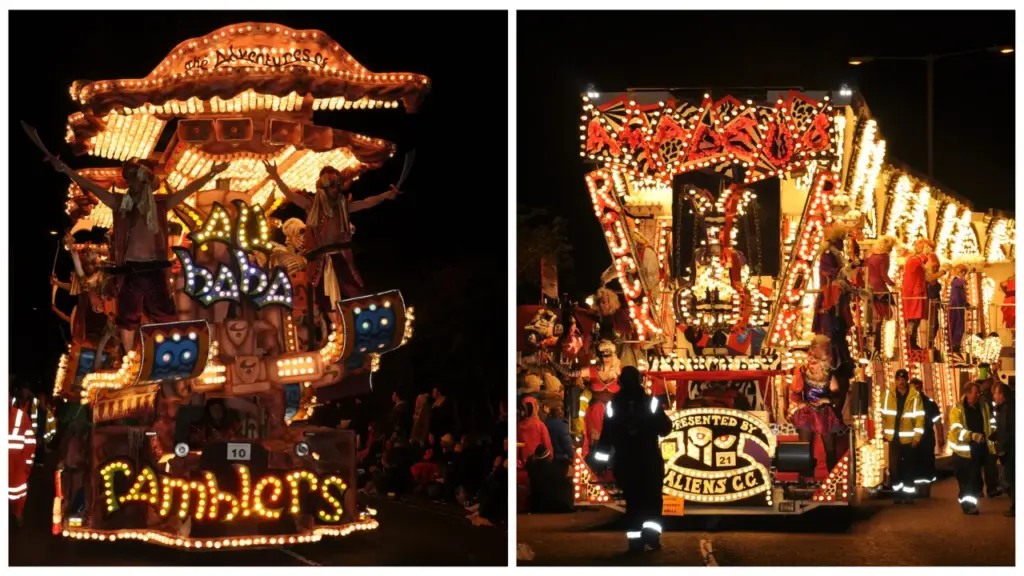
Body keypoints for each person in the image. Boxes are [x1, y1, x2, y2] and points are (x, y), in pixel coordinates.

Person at [49, 156, 228, 354]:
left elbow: (187, 191)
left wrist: (212, 173)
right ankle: (129, 356)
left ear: (146, 184)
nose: (133, 185)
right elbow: (91, 186)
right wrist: (65, 168)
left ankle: (169, 352)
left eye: (137, 180)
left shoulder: (160, 205)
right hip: (130, 271)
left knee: (164, 314)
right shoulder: (120, 205)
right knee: (127, 317)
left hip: (155, 269)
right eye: (131, 180)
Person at [263, 161, 400, 313]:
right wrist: (275, 176)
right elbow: (289, 194)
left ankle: (363, 316)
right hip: (321, 261)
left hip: (342, 258)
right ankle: (332, 320)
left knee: (355, 292)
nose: (335, 189)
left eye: (337, 185)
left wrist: (386, 195)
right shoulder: (312, 206)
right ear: (322, 188)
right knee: (322, 299)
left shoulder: (343, 207)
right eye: (330, 185)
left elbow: (367, 203)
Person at [592, 366, 672, 553]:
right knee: (652, 501)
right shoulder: (650, 403)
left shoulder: (613, 406)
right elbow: (665, 428)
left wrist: (601, 461)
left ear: (620, 383)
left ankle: (635, 542)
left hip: (625, 462)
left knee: (633, 502)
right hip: (649, 461)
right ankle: (651, 536)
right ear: (640, 381)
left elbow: (606, 435)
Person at [789, 335, 845, 474]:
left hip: (825, 415)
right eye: (810, 362)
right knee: (805, 448)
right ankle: (805, 478)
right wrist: (800, 403)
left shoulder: (830, 378)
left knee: (830, 449)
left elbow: (838, 398)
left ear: (822, 363)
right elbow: (795, 394)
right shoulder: (803, 375)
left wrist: (825, 400)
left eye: (814, 363)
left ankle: (832, 477)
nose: (811, 366)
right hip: (806, 413)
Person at [948, 381, 996, 514]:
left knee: (973, 480)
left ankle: (970, 504)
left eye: (979, 392)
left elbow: (990, 423)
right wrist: (972, 436)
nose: (978, 395)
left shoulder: (983, 406)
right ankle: (968, 506)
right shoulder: (957, 410)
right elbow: (956, 430)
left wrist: (992, 438)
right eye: (976, 393)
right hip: (962, 452)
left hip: (979, 450)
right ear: (967, 394)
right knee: (965, 481)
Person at [882, 368, 925, 503]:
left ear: (907, 381)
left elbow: (920, 418)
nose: (901, 382)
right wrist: (883, 432)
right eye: (899, 379)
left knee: (908, 467)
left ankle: (908, 495)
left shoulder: (914, 396)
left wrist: (917, 437)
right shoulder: (887, 394)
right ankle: (898, 494)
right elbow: (882, 414)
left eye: (903, 379)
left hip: (908, 438)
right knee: (894, 468)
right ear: (895, 380)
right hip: (893, 438)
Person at [910, 377, 945, 496]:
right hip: (913, 439)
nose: (917, 391)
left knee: (926, 464)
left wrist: (940, 436)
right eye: (914, 389)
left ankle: (924, 490)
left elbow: (938, 422)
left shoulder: (930, 404)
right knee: (915, 464)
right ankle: (917, 490)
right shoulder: (908, 403)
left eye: (918, 388)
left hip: (926, 439)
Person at [864, 236, 896, 359]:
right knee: (887, 315)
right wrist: (893, 284)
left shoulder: (871, 256)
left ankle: (875, 346)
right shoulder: (884, 257)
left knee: (876, 317)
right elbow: (883, 275)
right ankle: (880, 346)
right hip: (880, 288)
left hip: (870, 287)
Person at [901, 239, 931, 350]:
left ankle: (912, 342)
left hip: (917, 293)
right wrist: (924, 255)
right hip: (913, 294)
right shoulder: (913, 260)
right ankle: (911, 343)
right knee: (913, 319)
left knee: (916, 319)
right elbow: (918, 263)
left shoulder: (916, 260)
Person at [991, 382, 1014, 516]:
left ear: (1002, 395)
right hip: (1010, 448)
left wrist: (1001, 449)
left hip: (1010, 450)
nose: (993, 396)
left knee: (1012, 479)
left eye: (995, 393)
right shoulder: (1007, 408)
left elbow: (1006, 430)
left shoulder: (1006, 410)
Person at [517, 397, 552, 462]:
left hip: (524, 459)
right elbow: (547, 442)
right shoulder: (540, 425)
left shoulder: (519, 425)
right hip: (539, 458)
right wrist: (550, 456)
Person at [948, 264, 968, 354]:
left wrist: (965, 303)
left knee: (959, 325)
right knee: (955, 324)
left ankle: (956, 344)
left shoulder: (959, 282)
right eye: (962, 271)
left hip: (959, 306)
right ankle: (953, 344)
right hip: (955, 306)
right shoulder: (955, 281)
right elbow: (960, 282)